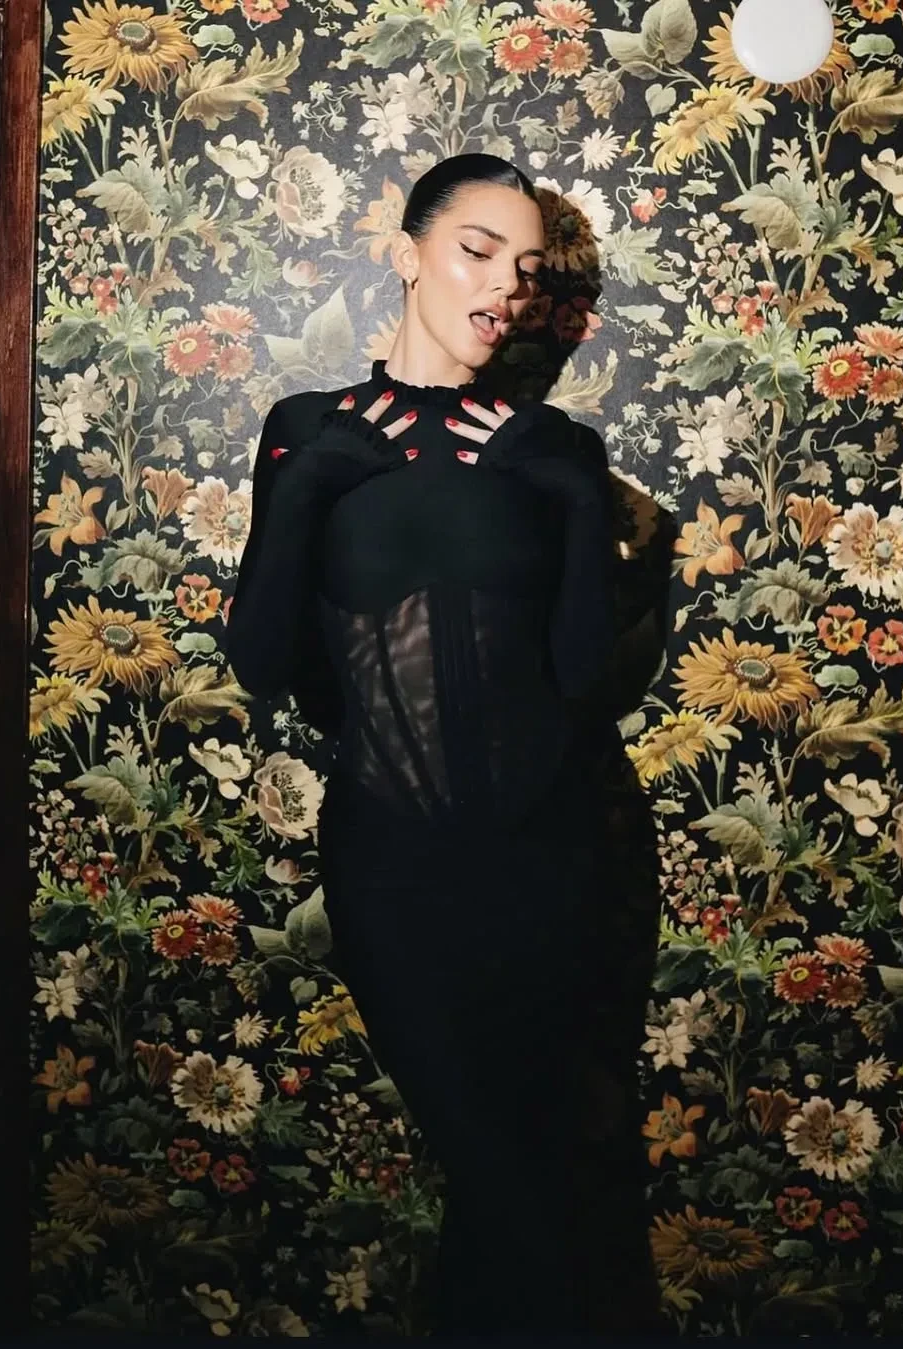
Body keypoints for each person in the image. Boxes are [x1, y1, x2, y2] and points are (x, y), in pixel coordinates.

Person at [225, 153, 666, 1336]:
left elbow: (583, 682)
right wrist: (307, 489)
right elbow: (262, 662)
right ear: (406, 252)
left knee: (521, 1172)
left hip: (552, 865)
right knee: (504, 1174)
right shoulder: (306, 430)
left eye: (527, 270)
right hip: (395, 871)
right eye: (478, 251)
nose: (507, 288)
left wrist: (576, 499)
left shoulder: (550, 445)